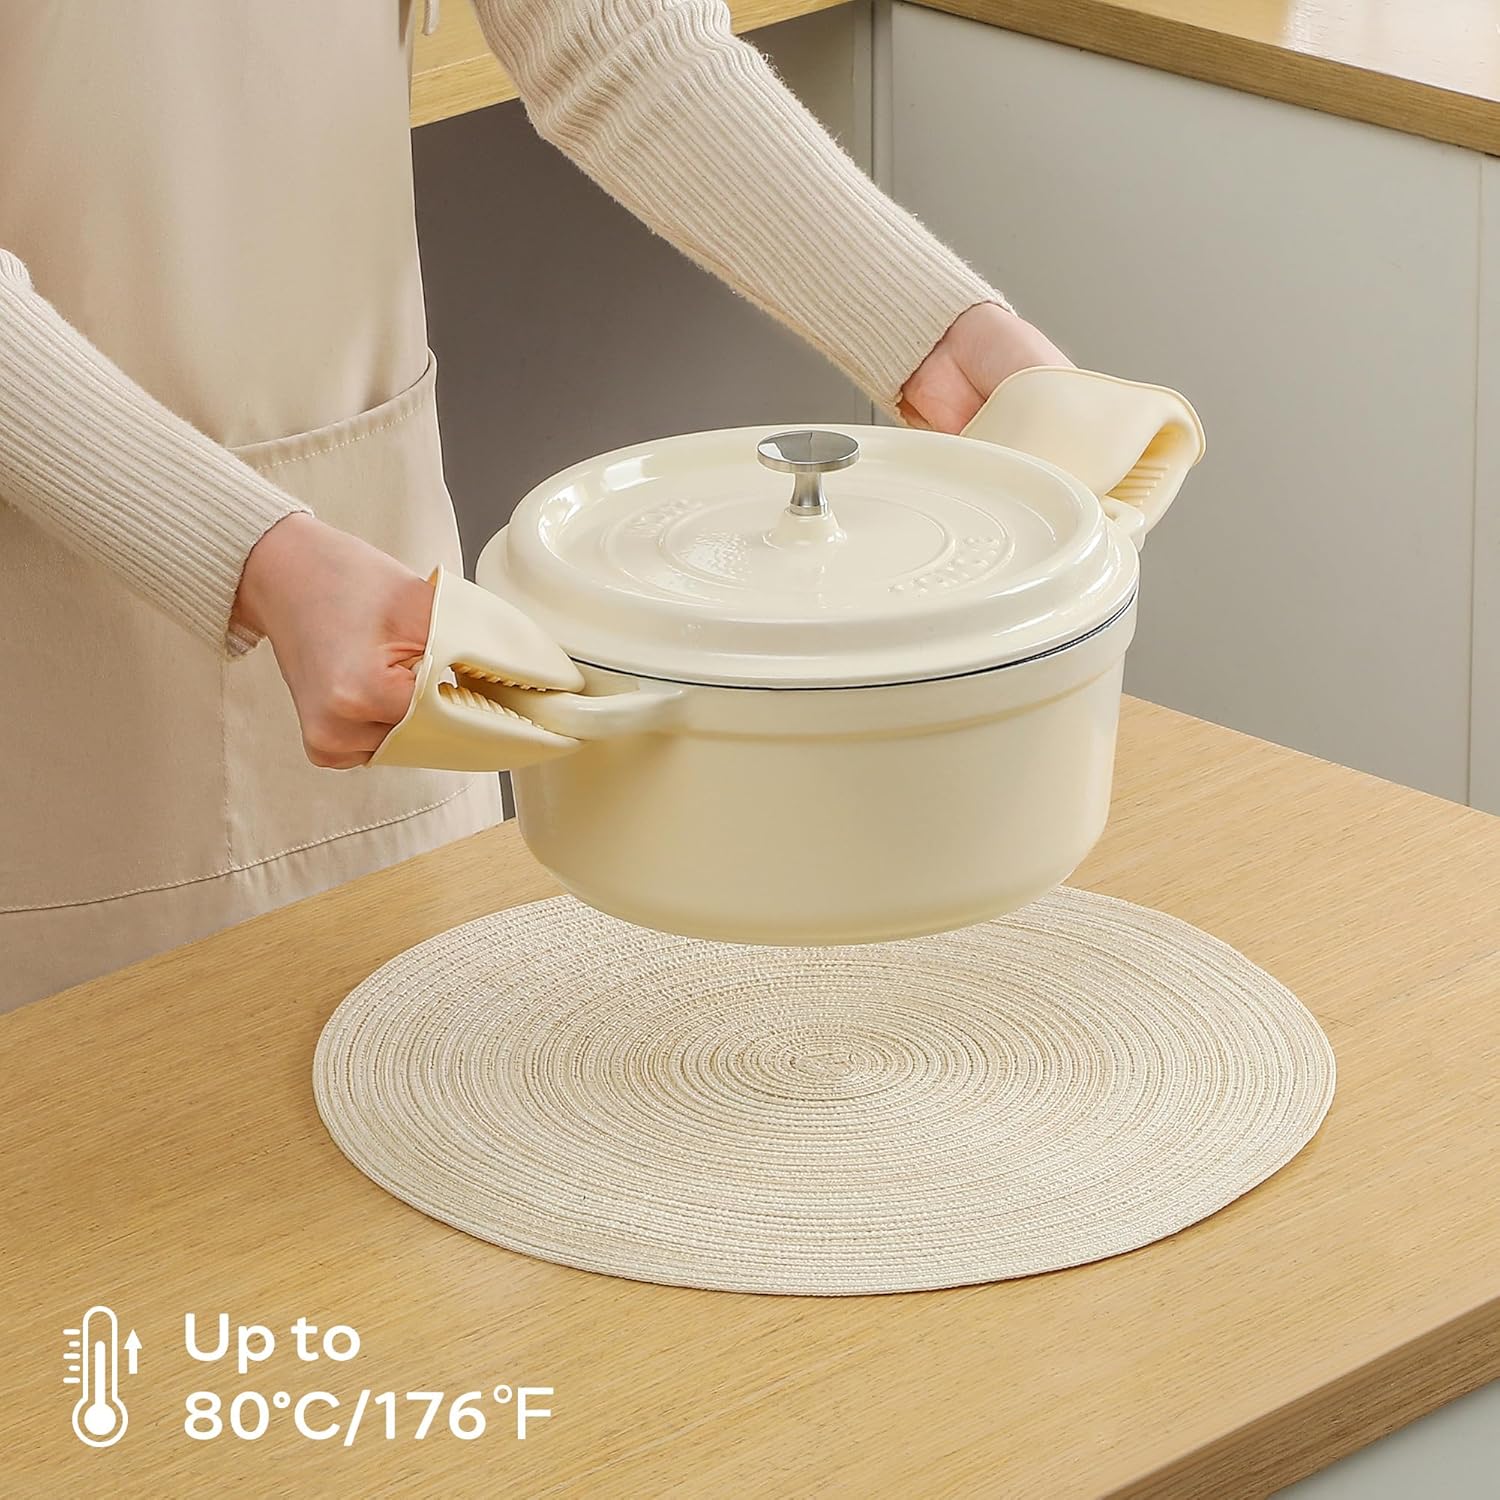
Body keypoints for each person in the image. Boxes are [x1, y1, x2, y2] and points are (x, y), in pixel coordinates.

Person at [0, 0, 1068, 1011]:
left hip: (388, 616)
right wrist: (251, 554)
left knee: (417, 1072)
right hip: (57, 691)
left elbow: (617, 36)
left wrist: (934, 328)